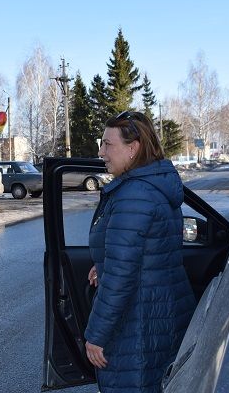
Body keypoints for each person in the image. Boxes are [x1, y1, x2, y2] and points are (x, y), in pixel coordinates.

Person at [85, 111, 195, 392]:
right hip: (159, 313)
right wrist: (104, 264)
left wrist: (96, 336)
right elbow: (147, 251)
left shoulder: (134, 194)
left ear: (132, 149)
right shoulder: (153, 186)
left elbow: (121, 278)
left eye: (108, 144)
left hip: (137, 325)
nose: (101, 152)